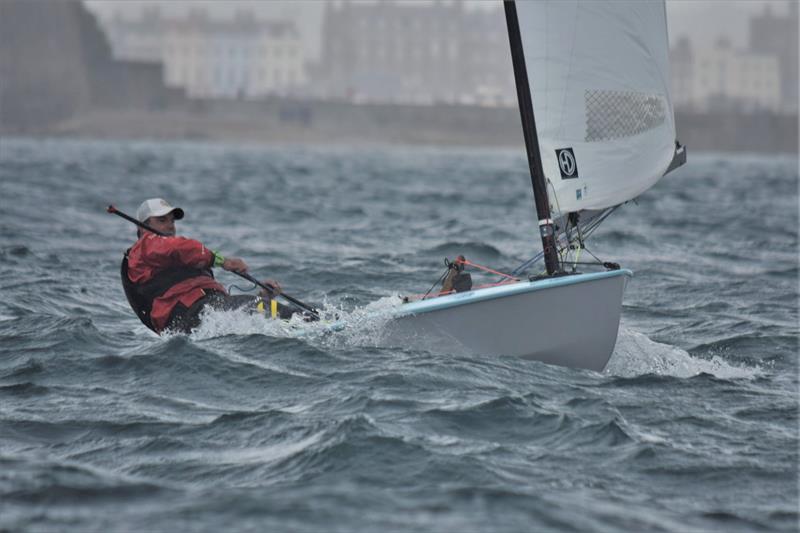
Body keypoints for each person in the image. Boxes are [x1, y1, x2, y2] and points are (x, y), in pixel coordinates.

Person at [120, 198, 290, 334]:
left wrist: (263, 297)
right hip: (190, 314)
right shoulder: (145, 246)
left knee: (263, 307)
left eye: (172, 221)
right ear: (143, 227)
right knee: (282, 314)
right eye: (162, 220)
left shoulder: (169, 255)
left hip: (206, 313)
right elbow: (178, 247)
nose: (170, 225)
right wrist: (223, 261)